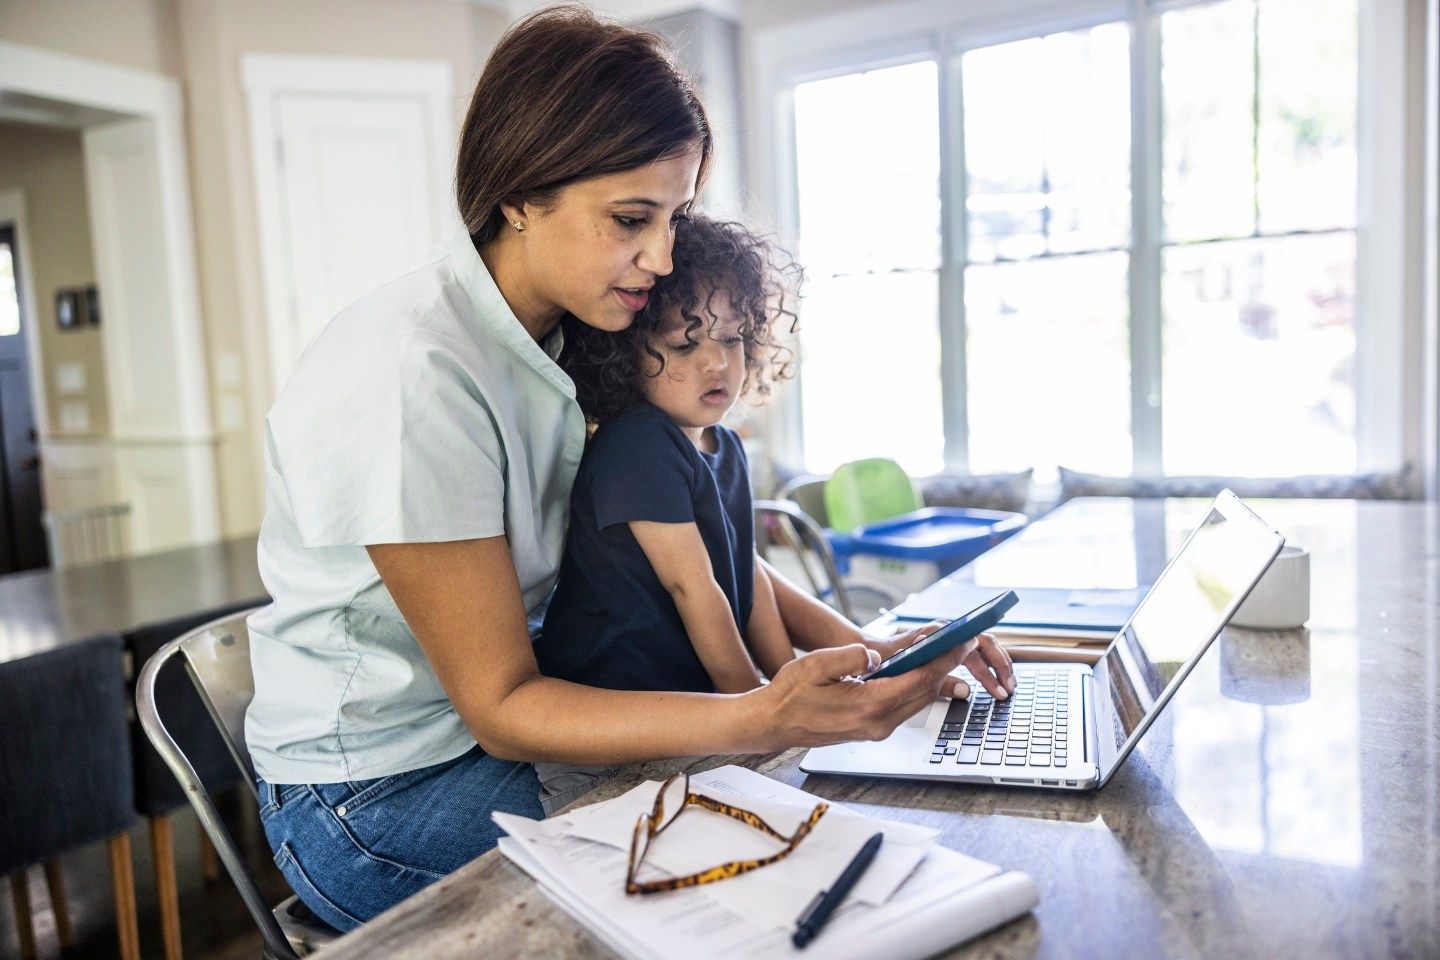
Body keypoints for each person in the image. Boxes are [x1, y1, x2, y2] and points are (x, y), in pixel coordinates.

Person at [245, 5, 1014, 932]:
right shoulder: (418, 374)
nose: (663, 255)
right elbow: (503, 708)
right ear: (520, 194)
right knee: (733, 883)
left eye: (675, 215)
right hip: (373, 798)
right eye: (630, 218)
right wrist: (767, 714)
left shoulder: (580, 331)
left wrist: (874, 651)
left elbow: (703, 542)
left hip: (504, 743)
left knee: (775, 836)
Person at [532, 216, 801, 810]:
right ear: (627, 355)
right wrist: (760, 708)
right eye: (687, 343)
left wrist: (791, 683)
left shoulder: (720, 442)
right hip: (612, 727)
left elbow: (743, 572)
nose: (718, 364)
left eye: (732, 339)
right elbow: (694, 587)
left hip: (683, 715)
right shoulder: (639, 444)